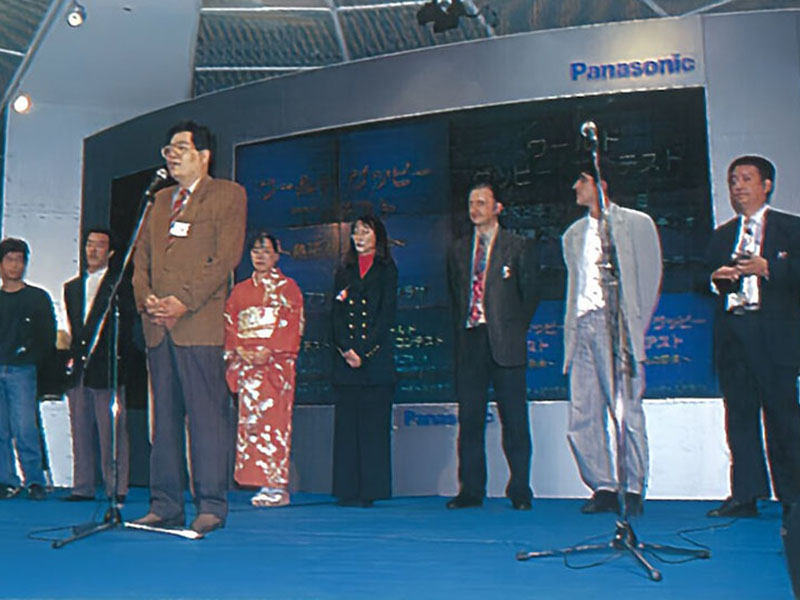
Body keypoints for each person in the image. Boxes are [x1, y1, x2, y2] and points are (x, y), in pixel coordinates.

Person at [132, 121, 246, 534]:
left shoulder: (228, 195)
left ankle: (211, 505)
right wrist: (147, 299)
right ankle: (164, 505)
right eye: (169, 149)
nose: (172, 155)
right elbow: (140, 259)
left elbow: (225, 259)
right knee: (162, 422)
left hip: (198, 324)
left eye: (181, 147)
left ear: (204, 155)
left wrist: (182, 302)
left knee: (205, 419)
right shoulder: (159, 200)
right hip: (158, 327)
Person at [561, 168, 662, 518]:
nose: (575, 186)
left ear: (601, 184)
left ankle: (633, 486)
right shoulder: (572, 234)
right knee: (582, 412)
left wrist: (633, 330)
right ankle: (603, 485)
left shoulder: (636, 223)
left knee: (625, 410)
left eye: (581, 180)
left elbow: (649, 278)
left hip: (616, 324)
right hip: (582, 325)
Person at [705, 155, 800, 519]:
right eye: (733, 180)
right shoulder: (722, 235)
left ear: (767, 185)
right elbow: (700, 278)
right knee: (739, 416)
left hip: (773, 334)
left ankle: (792, 495)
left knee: (783, 416)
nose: (738, 187)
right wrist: (715, 279)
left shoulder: (791, 228)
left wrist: (769, 267)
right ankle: (745, 494)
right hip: (733, 333)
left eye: (746, 179)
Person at [446, 182, 540, 510]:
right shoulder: (458, 250)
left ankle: (520, 488)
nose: (475, 209)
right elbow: (455, 295)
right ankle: (471, 490)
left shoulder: (518, 246)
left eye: (482, 203)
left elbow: (530, 295)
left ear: (498, 207)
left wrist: (512, 328)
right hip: (471, 340)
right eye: (471, 203)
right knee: (470, 419)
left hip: (506, 342)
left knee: (514, 419)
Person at [224, 233, 304, 507]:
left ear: (277, 256)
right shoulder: (240, 290)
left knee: (275, 422)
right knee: (251, 425)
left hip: (274, 365)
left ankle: (277, 485)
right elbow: (231, 323)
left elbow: (291, 323)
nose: (260, 256)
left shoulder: (288, 288)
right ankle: (261, 483)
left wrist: (270, 350)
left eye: (266, 251)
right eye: (256, 251)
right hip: (248, 365)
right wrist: (239, 349)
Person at [331, 215, 397, 507]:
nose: (359, 237)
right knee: (347, 428)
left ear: (377, 237)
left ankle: (371, 489)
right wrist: (345, 348)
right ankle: (347, 489)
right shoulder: (343, 270)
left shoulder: (387, 270)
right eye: (356, 232)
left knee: (373, 428)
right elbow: (336, 313)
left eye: (365, 232)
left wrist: (363, 351)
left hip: (374, 361)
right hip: (346, 362)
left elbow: (386, 316)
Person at [61, 228, 131, 503]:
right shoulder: (72, 287)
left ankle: (117, 488)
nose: (93, 250)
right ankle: (82, 486)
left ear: (110, 252)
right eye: (90, 244)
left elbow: (127, 330)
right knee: (80, 429)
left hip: (108, 367)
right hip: (79, 368)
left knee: (111, 432)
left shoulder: (120, 286)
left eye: (100, 245)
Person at [0, 237, 56, 500]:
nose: (15, 265)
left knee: (25, 428)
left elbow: (47, 335)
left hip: (22, 370)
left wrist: (31, 358)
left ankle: (34, 480)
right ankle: (5, 480)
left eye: (20, 260)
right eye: (9, 259)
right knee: (1, 430)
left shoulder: (37, 298)